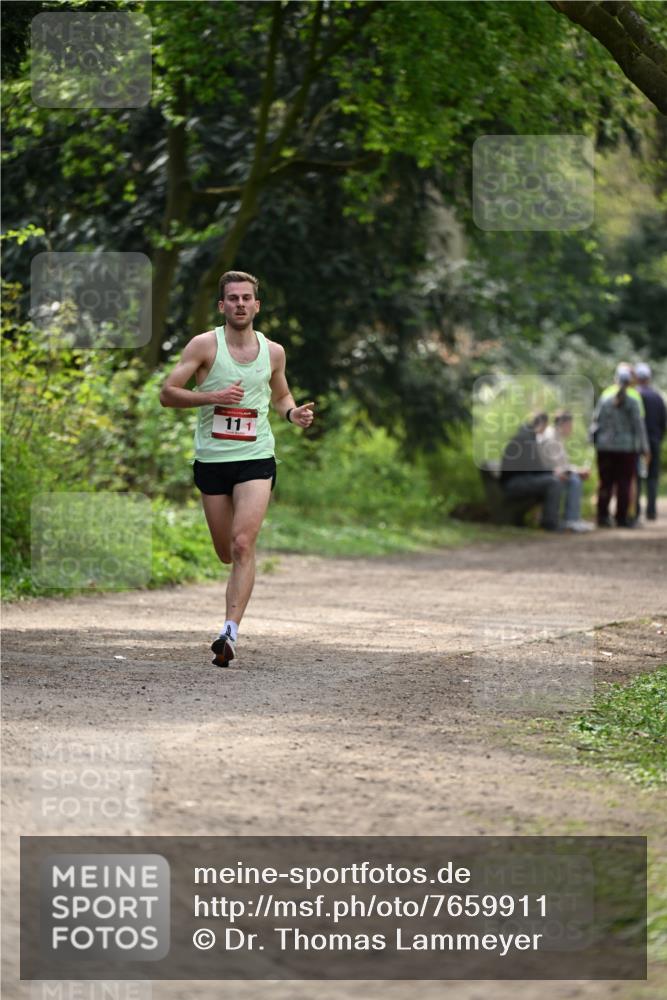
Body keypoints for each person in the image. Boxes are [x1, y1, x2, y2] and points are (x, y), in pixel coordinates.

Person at [159, 270, 314, 666]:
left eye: (247, 298)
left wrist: (292, 412)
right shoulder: (204, 346)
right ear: (222, 305)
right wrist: (213, 395)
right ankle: (231, 608)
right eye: (233, 298)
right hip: (212, 460)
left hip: (256, 457)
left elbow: (280, 394)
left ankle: (230, 631)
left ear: (257, 305)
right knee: (226, 552)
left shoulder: (273, 351)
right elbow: (168, 394)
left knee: (243, 543)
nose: (240, 304)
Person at [591, 367, 649, 528]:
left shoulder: (605, 399)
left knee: (605, 482)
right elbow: (639, 427)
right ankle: (621, 518)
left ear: (615, 380)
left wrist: (594, 443)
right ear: (630, 382)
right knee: (624, 483)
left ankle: (602, 516)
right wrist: (645, 448)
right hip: (626, 449)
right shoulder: (633, 401)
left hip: (605, 448)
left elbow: (596, 421)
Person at [500, 412, 562, 531]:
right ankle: (550, 523)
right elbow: (533, 468)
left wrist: (551, 472)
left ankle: (548, 521)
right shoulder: (526, 439)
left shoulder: (526, 436)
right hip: (514, 483)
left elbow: (533, 467)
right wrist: (552, 473)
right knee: (554, 483)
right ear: (542, 425)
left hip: (517, 480)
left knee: (554, 481)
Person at [538, 411, 593, 532]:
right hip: (547, 474)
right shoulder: (550, 438)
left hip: (553, 473)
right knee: (574, 480)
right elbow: (555, 466)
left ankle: (574, 518)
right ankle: (571, 520)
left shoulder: (557, 437)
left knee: (575, 478)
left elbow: (564, 465)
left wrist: (577, 470)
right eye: (570, 426)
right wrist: (577, 471)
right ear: (564, 424)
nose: (571, 429)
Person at [635, 361, 666, 521]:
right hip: (654, 441)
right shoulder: (657, 397)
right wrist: (658, 438)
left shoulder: (634, 395)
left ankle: (636, 510)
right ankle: (651, 511)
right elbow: (663, 422)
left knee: (637, 476)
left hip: (637, 443)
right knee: (652, 477)